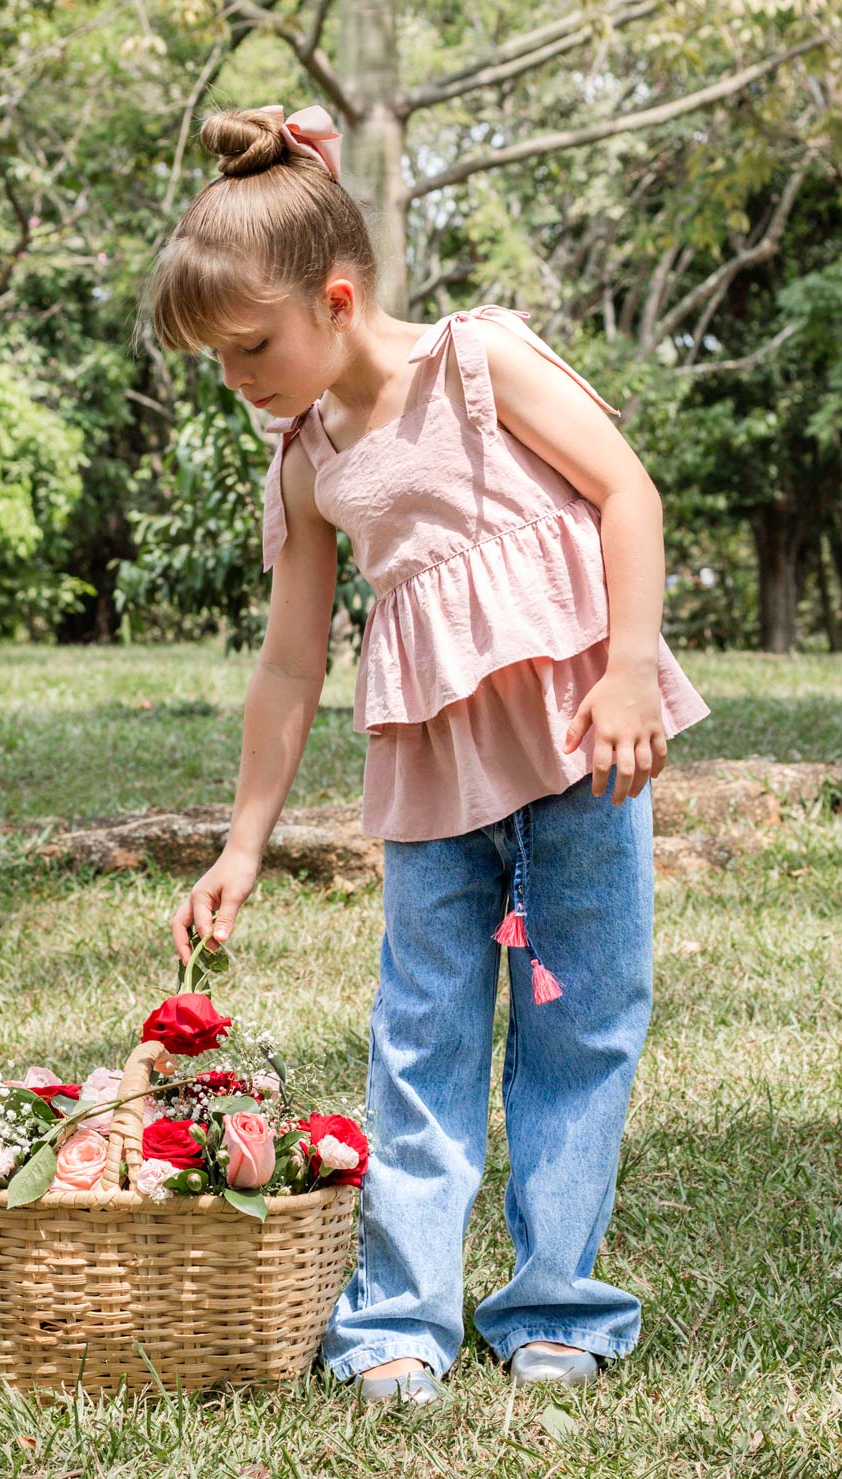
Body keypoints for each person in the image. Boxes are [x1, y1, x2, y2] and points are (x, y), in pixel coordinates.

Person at [144, 103, 711, 1406]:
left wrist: (629, 665)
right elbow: (290, 666)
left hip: (577, 744)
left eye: (252, 346)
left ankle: (558, 1301)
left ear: (337, 299)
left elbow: (628, 489)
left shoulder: (481, 359)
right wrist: (244, 844)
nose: (238, 377)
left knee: (580, 1017)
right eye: (215, 358)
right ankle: (400, 1317)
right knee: (423, 1031)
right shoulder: (304, 458)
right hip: (428, 770)